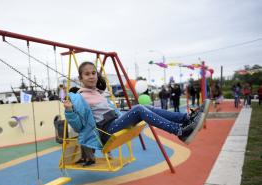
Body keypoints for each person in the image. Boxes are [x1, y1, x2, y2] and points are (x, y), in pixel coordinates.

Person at [63, 61, 210, 167]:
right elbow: (78, 126)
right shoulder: (78, 98)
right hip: (105, 131)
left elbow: (111, 112)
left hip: (114, 121)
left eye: (93, 73)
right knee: (139, 109)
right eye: (87, 74)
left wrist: (121, 113)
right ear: (80, 78)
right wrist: (69, 110)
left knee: (144, 107)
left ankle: (186, 119)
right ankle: (179, 131)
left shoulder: (98, 93)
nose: (91, 76)